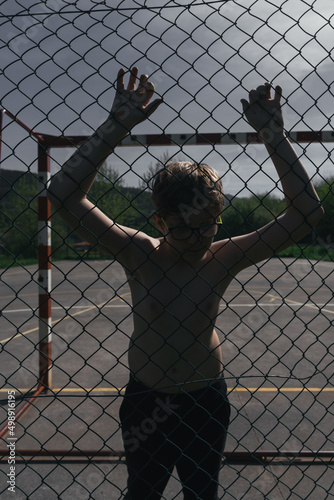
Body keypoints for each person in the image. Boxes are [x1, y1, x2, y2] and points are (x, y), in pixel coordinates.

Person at [47, 67, 324, 499]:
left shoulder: (223, 257)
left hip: (204, 401)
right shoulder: (140, 254)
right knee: (142, 492)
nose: (199, 239)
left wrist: (273, 133)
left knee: (202, 493)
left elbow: (306, 215)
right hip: (147, 400)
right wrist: (117, 124)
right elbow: (63, 194)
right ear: (160, 221)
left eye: (209, 225)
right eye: (184, 228)